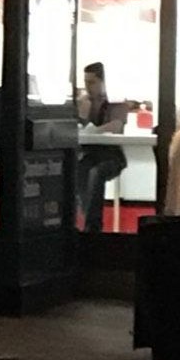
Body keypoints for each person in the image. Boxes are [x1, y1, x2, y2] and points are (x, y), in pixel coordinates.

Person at [76, 62, 128, 233]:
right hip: (89, 154)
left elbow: (117, 125)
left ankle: (92, 226)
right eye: (85, 82)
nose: (87, 87)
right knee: (78, 169)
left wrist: (94, 130)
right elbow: (77, 126)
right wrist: (82, 116)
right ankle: (82, 217)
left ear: (103, 82)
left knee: (96, 173)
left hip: (111, 155)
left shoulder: (116, 102)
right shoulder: (83, 102)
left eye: (91, 82)